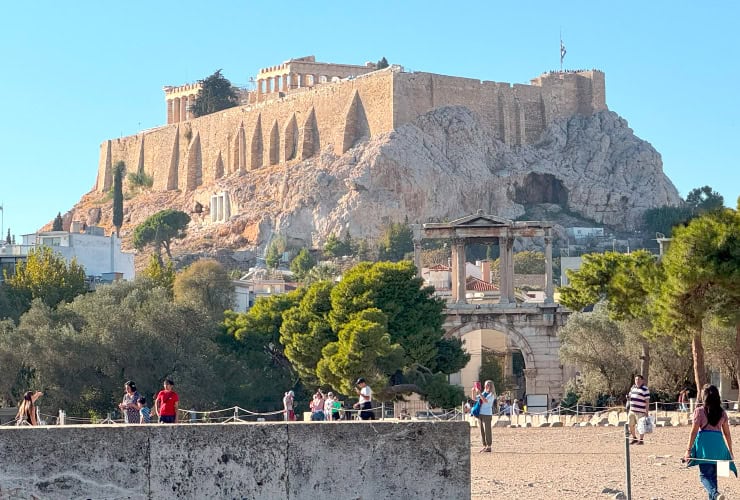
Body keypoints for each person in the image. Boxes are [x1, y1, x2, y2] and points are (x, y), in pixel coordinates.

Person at [684, 384, 736, 500]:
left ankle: (715, 494)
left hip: (705, 448)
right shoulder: (722, 412)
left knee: (705, 476)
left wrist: (688, 450)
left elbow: (693, 432)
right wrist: (730, 451)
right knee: (713, 477)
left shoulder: (699, 411)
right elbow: (727, 433)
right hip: (719, 447)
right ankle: (715, 496)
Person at [472, 380, 496, 452]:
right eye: (485, 385)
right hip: (480, 413)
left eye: (487, 385)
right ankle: (485, 445)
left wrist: (479, 392)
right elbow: (474, 399)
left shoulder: (491, 394)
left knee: (487, 430)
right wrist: (473, 391)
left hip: (487, 414)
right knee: (482, 430)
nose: (486, 386)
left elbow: (485, 401)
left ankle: (489, 446)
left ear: (491, 386)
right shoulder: (484, 393)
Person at [627, 374, 650, 445]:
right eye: (636, 379)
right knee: (630, 424)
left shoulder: (645, 389)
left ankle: (641, 440)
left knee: (641, 426)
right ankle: (634, 438)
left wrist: (646, 411)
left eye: (639, 380)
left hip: (641, 411)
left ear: (642, 380)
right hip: (632, 411)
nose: (637, 381)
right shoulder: (633, 388)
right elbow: (630, 396)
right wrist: (628, 397)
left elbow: (647, 401)